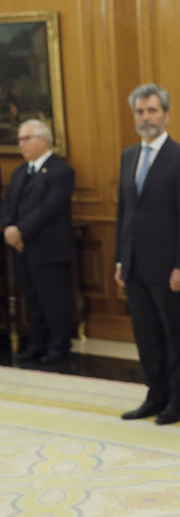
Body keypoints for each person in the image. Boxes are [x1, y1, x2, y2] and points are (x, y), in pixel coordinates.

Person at [115, 83, 180, 425]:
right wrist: (120, 261)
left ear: (166, 115)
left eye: (152, 110)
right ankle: (155, 394)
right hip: (134, 265)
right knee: (146, 334)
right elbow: (124, 213)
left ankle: (179, 400)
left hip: (169, 268)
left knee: (175, 333)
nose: (146, 117)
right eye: (140, 111)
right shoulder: (128, 156)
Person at [2, 119, 75, 363]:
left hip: (49, 248)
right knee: (31, 300)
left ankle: (58, 345)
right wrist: (8, 228)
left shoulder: (61, 171)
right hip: (22, 248)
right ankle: (36, 342)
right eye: (20, 139)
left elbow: (49, 208)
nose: (21, 144)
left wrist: (20, 230)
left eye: (26, 139)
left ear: (43, 140)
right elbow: (7, 203)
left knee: (53, 300)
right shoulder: (20, 171)